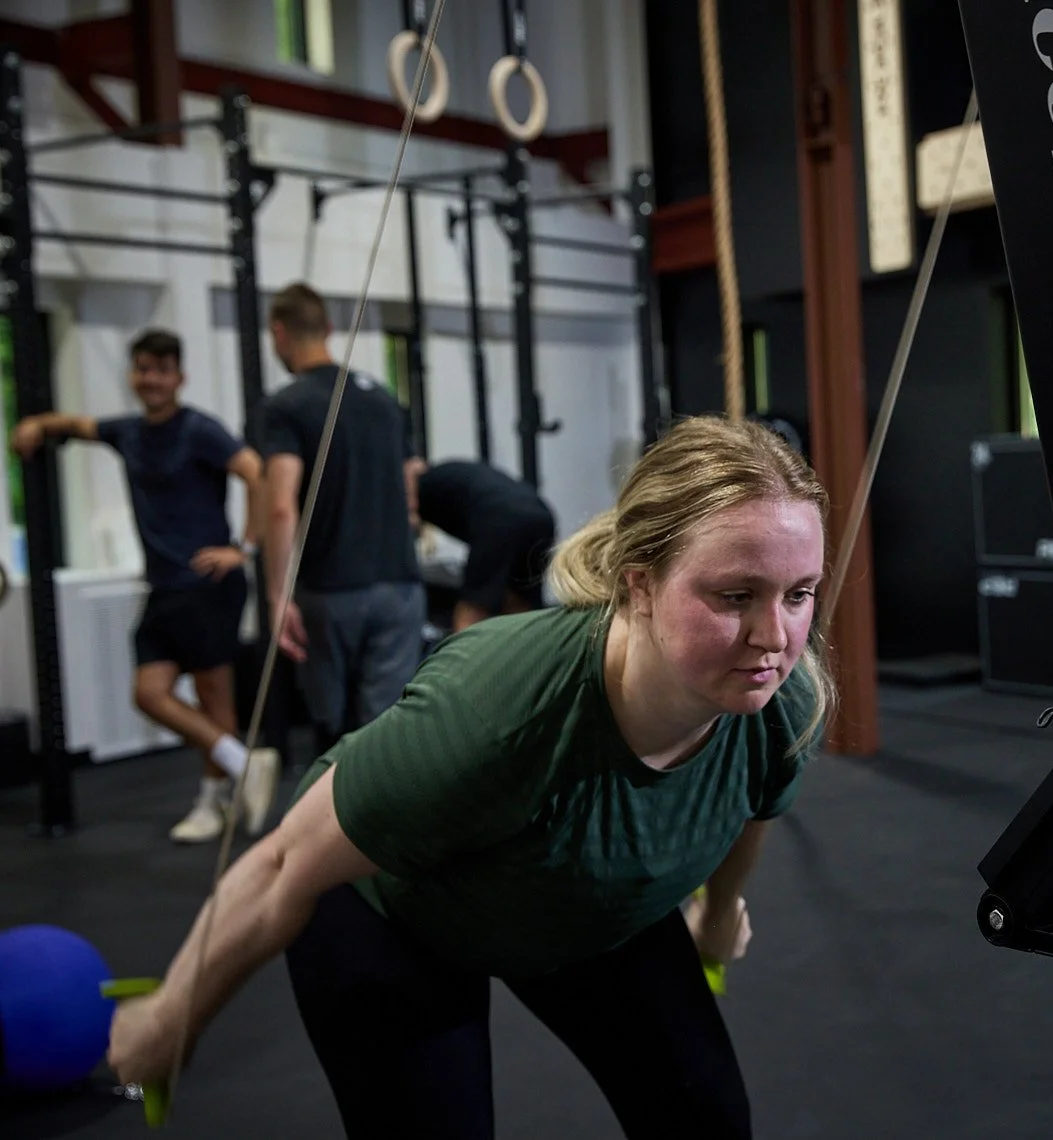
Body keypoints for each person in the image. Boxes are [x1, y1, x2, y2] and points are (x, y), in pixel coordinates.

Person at [107, 415, 834, 1138]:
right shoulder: (498, 709)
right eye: (734, 596)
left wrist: (716, 915)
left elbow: (749, 808)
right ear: (640, 585)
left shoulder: (783, 699)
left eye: (798, 594)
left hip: (578, 898)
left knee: (707, 1121)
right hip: (398, 911)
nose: (774, 637)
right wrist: (170, 1019)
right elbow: (281, 867)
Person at [8, 330, 281, 843]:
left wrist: (243, 549)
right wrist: (37, 424)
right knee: (149, 693)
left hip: (207, 583)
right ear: (133, 375)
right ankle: (243, 762)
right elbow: (78, 425)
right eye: (142, 369)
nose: (151, 379)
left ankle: (212, 802)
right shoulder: (128, 431)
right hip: (163, 587)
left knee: (214, 698)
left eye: (161, 370)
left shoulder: (198, 430)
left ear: (179, 377)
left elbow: (256, 472)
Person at [256, 283, 425, 754]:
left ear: (279, 333)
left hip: (331, 592)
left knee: (334, 736)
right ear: (329, 329)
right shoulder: (382, 399)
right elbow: (412, 483)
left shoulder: (285, 405)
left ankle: (334, 803)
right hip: (400, 586)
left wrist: (276, 596)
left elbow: (280, 505)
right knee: (386, 736)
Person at [410, 458, 558, 631]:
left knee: (474, 610)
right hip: (541, 516)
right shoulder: (450, 475)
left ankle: (466, 648)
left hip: (499, 519)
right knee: (522, 605)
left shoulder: (411, 488)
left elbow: (410, 522)